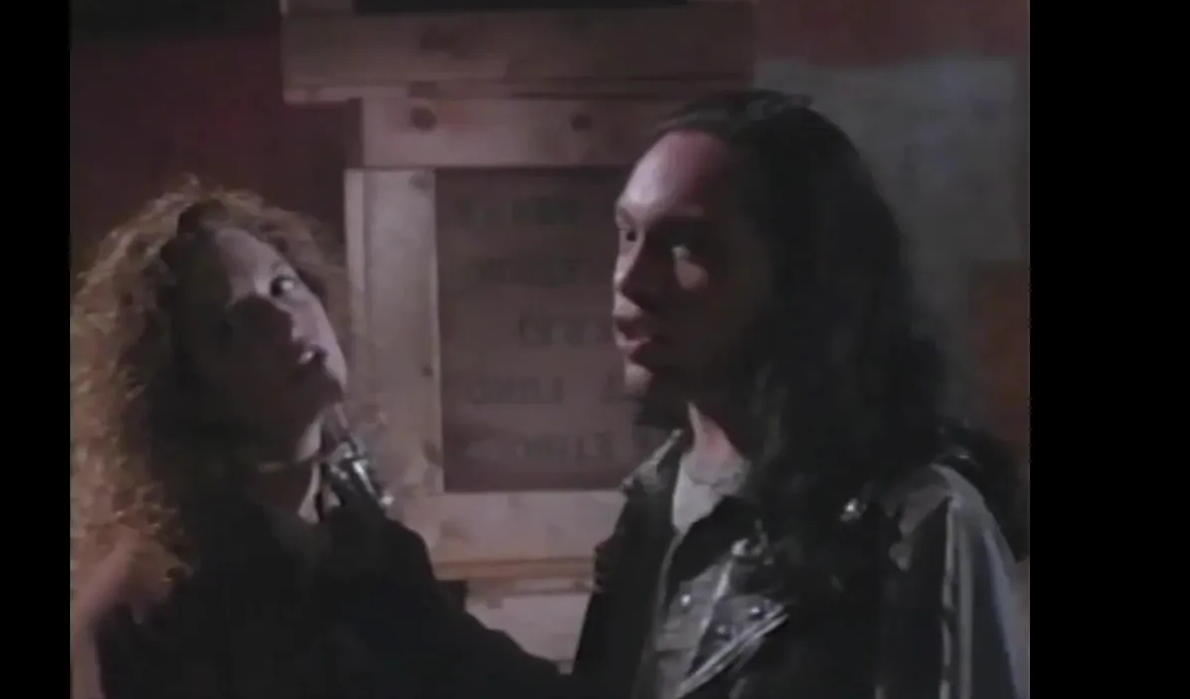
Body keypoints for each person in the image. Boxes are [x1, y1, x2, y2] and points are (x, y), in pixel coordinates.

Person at [336, 91, 1031, 699]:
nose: (630, 279)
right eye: (627, 234)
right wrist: (404, 608)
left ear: (801, 273)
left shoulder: (912, 524)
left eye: (686, 244)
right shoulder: (658, 498)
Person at [69, 182, 435, 698]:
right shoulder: (145, 608)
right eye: (232, 325)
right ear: (182, 389)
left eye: (283, 286)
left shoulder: (363, 540)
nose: (283, 321)